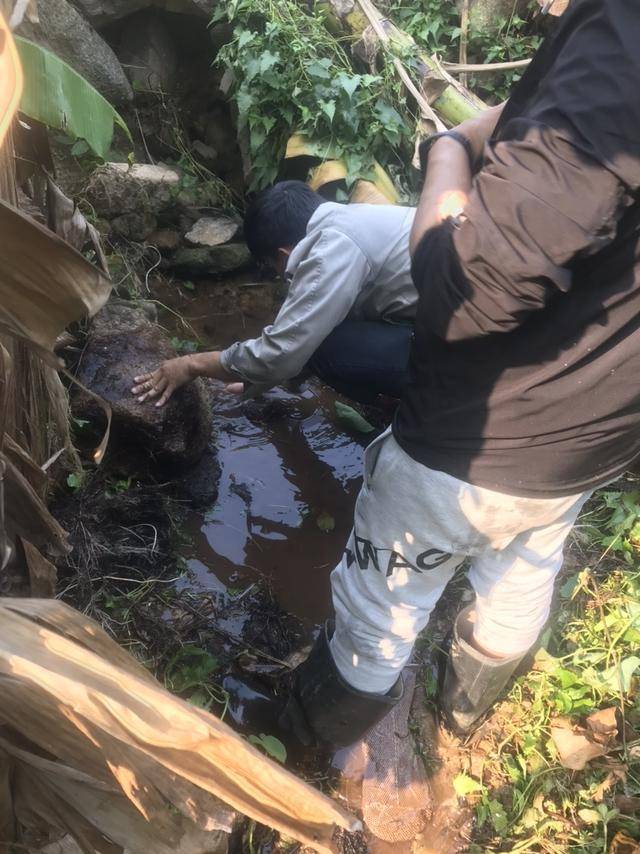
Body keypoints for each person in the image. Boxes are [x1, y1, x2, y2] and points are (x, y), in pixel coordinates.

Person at [282, 0, 640, 747]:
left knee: (381, 603)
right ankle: (461, 720)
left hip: (477, 434)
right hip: (598, 428)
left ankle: (308, 744)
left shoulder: (620, 42)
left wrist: (447, 149)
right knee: (521, 574)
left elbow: (463, 291)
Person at [132, 182, 417, 406]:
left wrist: (191, 364)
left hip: (455, 361)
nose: (282, 277)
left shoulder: (331, 251)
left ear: (283, 254)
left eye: (273, 267)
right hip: (443, 330)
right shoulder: (351, 221)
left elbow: (284, 351)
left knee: (327, 345)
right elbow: (302, 336)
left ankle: (419, 404)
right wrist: (256, 382)